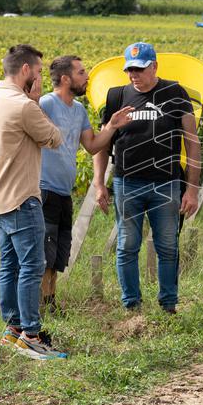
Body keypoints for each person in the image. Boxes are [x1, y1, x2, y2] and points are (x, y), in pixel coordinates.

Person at [0, 44, 67, 360]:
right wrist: (36, 102)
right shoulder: (24, 106)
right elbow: (54, 138)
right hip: (23, 198)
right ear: (25, 71)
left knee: (8, 265)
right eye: (38, 72)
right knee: (32, 265)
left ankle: (11, 330)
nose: (39, 78)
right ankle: (30, 334)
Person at [92, 42, 201, 314]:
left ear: (154, 66)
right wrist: (98, 183)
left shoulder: (175, 93)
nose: (133, 75)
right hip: (127, 183)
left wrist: (192, 189)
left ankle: (168, 305)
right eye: (129, 69)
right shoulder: (116, 96)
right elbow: (103, 143)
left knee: (167, 246)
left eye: (139, 69)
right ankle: (132, 307)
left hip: (167, 183)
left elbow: (193, 142)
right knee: (127, 246)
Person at [38, 55, 133, 311]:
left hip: (63, 190)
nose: (87, 76)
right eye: (81, 73)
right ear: (66, 78)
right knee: (44, 252)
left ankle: (50, 302)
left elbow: (92, 146)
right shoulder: (45, 103)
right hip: (43, 189)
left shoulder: (78, 110)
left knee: (58, 254)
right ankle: (41, 307)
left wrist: (112, 126)